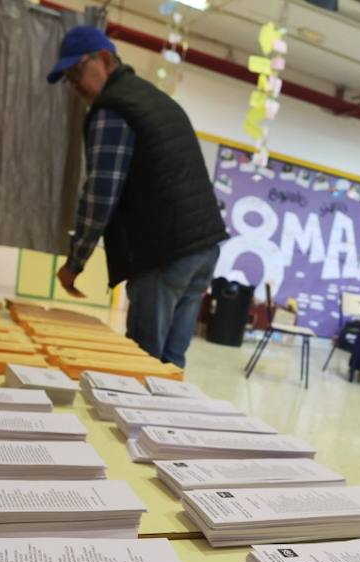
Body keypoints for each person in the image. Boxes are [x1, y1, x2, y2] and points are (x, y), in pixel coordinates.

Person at [47, 26, 226, 368]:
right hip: (203, 247)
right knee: (170, 364)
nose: (75, 86)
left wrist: (75, 263)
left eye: (76, 73)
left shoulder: (112, 108)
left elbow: (100, 195)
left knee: (141, 363)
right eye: (68, 79)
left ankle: (143, 421)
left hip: (164, 253)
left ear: (103, 60)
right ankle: (168, 421)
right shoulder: (156, 99)